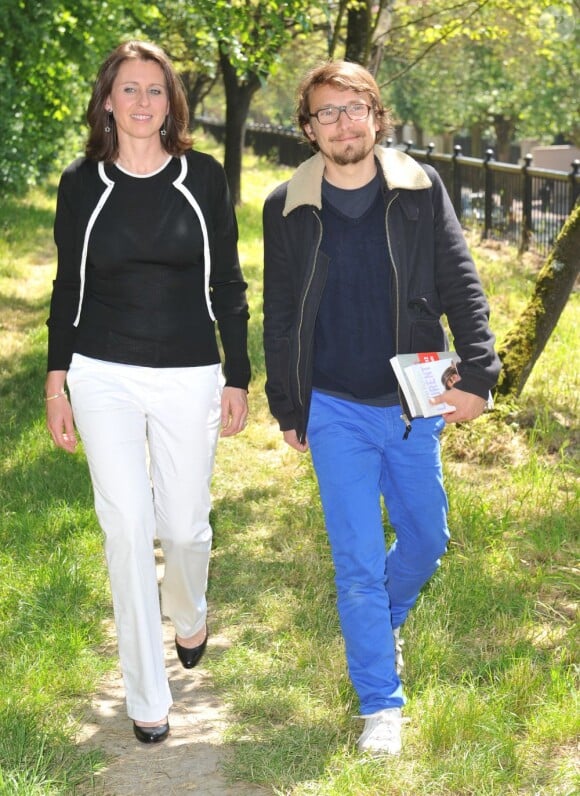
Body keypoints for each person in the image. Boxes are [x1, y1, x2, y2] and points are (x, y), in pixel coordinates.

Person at [262, 61, 501, 756]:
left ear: (376, 114)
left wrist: (481, 375)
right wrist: (289, 405)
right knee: (357, 562)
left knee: (429, 538)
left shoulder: (421, 189)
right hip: (333, 407)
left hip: (412, 399)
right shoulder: (286, 204)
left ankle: (381, 619)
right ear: (308, 129)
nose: (342, 123)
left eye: (354, 107)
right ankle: (380, 704)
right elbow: (281, 313)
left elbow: (463, 283)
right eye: (326, 113)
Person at [45, 40, 250, 744]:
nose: (141, 102)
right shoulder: (81, 183)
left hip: (190, 371)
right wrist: (56, 381)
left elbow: (228, 281)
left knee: (186, 526)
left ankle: (189, 609)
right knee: (127, 526)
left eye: (154, 91)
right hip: (102, 373)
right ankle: (147, 690)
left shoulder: (204, 177)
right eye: (128, 90)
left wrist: (238, 373)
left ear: (172, 103)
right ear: (107, 101)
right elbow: (66, 286)